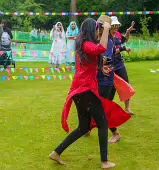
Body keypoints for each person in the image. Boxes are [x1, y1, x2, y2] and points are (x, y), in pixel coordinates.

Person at [49, 18, 131, 169]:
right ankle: (105, 162)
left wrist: (102, 69)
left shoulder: (84, 45)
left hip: (81, 90)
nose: (96, 30)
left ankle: (56, 152)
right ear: (89, 30)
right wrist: (106, 29)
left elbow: (89, 64)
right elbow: (101, 49)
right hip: (84, 90)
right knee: (103, 122)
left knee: (84, 127)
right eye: (95, 28)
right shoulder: (86, 44)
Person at [96, 16, 121, 144]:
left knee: (103, 108)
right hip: (97, 78)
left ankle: (115, 133)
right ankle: (86, 128)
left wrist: (97, 64)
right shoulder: (98, 40)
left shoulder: (108, 42)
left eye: (99, 26)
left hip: (105, 80)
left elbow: (106, 60)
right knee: (94, 105)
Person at [110, 16, 135, 115]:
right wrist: (124, 49)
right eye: (114, 25)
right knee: (110, 88)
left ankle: (127, 108)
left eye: (117, 25)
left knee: (125, 84)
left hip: (119, 64)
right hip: (110, 65)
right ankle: (108, 107)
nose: (116, 27)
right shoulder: (107, 37)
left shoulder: (118, 35)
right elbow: (113, 51)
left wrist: (128, 31)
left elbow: (125, 39)